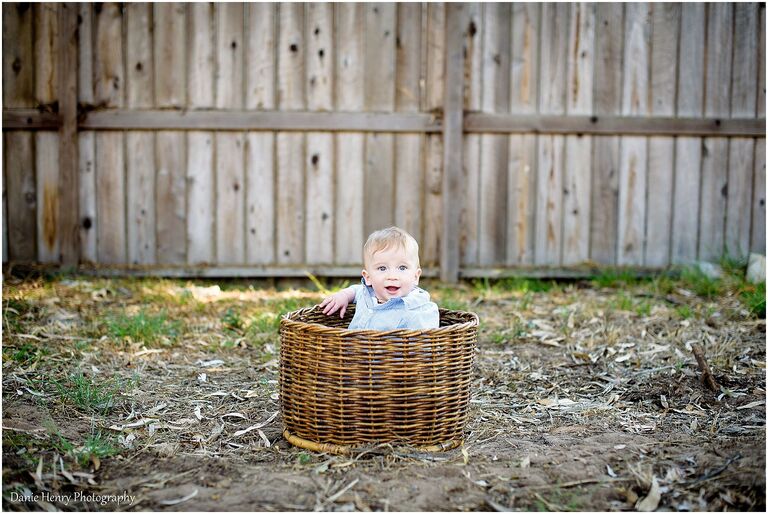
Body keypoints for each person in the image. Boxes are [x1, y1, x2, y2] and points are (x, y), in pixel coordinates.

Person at [320, 226, 440, 330]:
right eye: (382, 268)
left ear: (415, 277)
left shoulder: (417, 310)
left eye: (402, 268)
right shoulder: (367, 293)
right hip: (353, 354)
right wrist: (344, 295)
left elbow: (425, 344)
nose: (392, 276)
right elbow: (357, 291)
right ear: (368, 278)